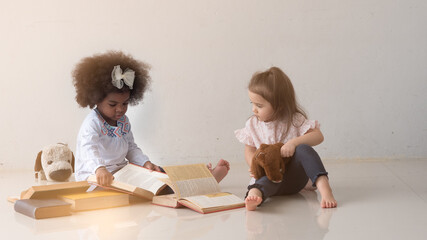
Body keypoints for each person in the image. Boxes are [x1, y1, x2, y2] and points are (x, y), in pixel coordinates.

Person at [72, 51, 229, 186]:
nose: (120, 109)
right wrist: (99, 169)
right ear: (96, 99)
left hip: (122, 172)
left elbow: (131, 147)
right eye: (113, 104)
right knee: (148, 187)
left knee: (158, 175)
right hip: (96, 177)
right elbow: (88, 149)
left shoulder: (123, 121)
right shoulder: (92, 123)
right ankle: (199, 183)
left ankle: (203, 179)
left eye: (125, 103)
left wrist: (145, 163)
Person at [234, 66, 337, 211]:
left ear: (279, 106)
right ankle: (254, 196)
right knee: (261, 182)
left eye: (259, 105)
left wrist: (294, 143)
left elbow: (318, 136)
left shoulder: (294, 120)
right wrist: (253, 164)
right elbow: (249, 149)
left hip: (295, 178)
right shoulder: (252, 124)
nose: (254, 110)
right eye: (252, 103)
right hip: (271, 176)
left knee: (304, 149)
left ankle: (324, 188)